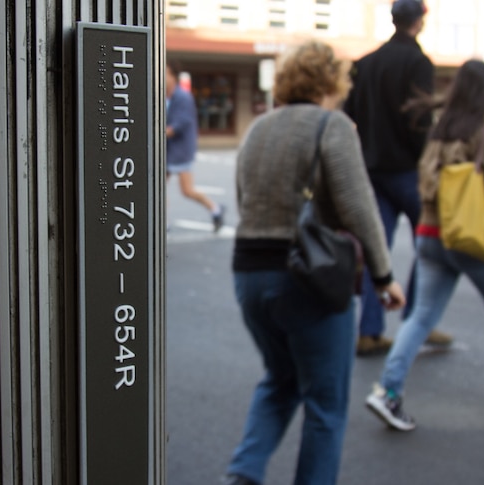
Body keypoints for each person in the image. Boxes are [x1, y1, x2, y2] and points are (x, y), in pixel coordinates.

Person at [223, 41, 405, 485]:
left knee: (281, 379)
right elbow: (359, 207)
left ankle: (243, 475)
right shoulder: (333, 126)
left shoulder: (257, 130)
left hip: (249, 275)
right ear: (332, 82)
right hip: (306, 277)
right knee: (326, 404)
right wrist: (383, 276)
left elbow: (247, 200)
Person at [365, 60, 484, 432]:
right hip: (471, 239)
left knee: (421, 317)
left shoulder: (438, 133)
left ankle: (389, 392)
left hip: (431, 236)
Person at [343, 0, 452, 356]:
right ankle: (418, 320)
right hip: (408, 169)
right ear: (419, 21)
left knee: (379, 248)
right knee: (430, 246)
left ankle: (369, 330)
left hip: (373, 168)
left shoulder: (366, 63)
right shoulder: (417, 63)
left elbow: (350, 112)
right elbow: (419, 120)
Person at [165, 61, 225, 233]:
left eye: (165, 73)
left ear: (173, 76)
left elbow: (180, 124)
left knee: (187, 191)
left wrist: (160, 134)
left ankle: (215, 209)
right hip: (167, 150)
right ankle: (162, 222)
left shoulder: (183, 97)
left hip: (180, 150)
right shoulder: (163, 96)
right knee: (158, 188)